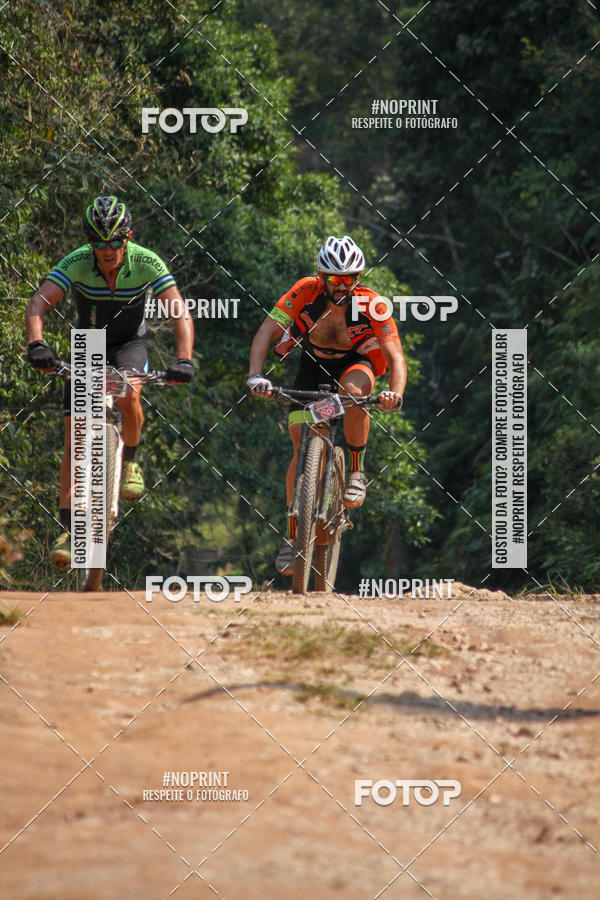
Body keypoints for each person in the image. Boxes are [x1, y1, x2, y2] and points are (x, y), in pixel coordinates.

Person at [25, 195, 194, 568]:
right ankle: (70, 531)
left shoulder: (147, 261)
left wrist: (184, 359)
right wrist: (37, 345)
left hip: (129, 345)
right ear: (90, 243)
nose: (107, 250)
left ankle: (130, 460)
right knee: (75, 432)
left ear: (127, 237)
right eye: (99, 244)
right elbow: (38, 303)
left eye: (115, 242)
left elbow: (178, 310)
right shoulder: (77, 262)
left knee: (129, 395)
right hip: (89, 343)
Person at [247, 234, 406, 574]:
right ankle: (293, 536)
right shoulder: (304, 291)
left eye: (348, 279)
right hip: (313, 366)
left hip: (355, 365)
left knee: (352, 394)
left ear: (357, 278)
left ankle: (356, 470)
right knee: (300, 445)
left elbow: (395, 356)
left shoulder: (372, 304)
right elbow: (266, 331)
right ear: (322, 277)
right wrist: (255, 375)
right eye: (334, 279)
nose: (341, 286)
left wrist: (395, 392)